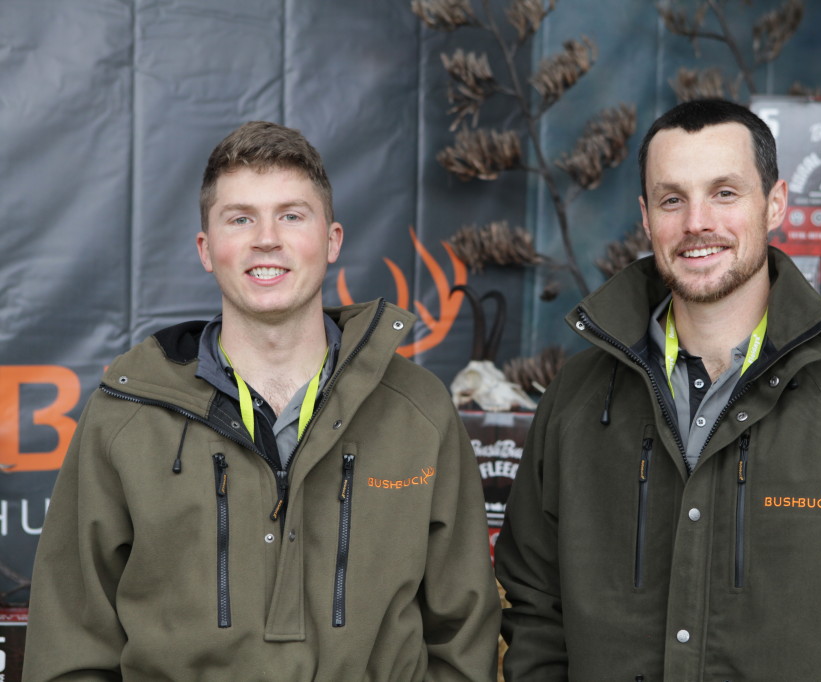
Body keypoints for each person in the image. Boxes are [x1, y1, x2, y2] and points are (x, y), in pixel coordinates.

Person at [494, 99, 821, 680]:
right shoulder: (578, 397)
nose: (697, 223)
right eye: (672, 199)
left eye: (724, 193)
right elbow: (534, 600)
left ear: (775, 204)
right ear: (646, 217)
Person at [24, 121, 500, 680]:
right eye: (241, 218)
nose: (266, 238)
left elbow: (462, 632)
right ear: (207, 249)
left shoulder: (418, 409)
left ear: (332, 240)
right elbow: (71, 642)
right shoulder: (125, 414)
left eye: (292, 215)